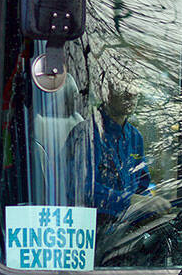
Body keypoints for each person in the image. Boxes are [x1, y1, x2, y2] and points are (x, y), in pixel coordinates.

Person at [65, 74, 170, 223]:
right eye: (122, 87)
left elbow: (142, 186)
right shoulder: (86, 135)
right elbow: (80, 189)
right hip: (94, 227)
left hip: (128, 226)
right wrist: (133, 200)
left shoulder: (135, 137)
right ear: (106, 93)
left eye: (134, 87)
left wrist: (153, 206)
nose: (131, 93)